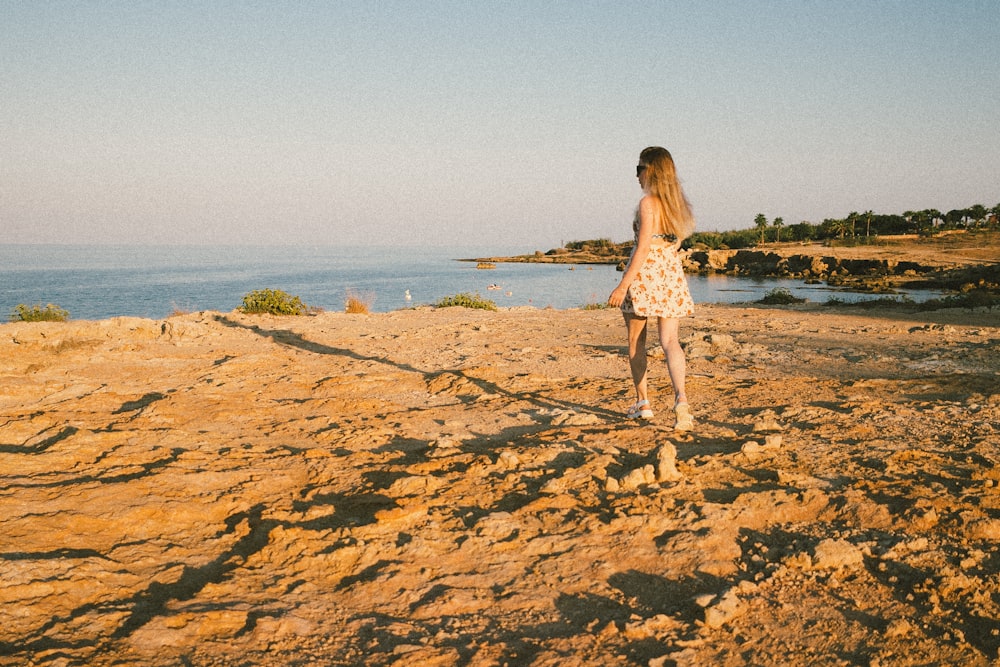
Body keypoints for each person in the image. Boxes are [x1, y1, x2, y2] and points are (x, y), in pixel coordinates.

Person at [608, 146, 695, 430]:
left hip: (644, 276)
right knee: (671, 341)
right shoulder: (678, 206)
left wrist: (623, 285)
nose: (636, 175)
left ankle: (643, 402)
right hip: (670, 275)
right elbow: (677, 243)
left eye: (639, 169)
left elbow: (643, 248)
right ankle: (681, 399)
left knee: (637, 342)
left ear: (652, 171)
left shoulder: (648, 203)